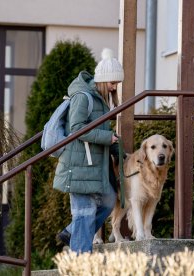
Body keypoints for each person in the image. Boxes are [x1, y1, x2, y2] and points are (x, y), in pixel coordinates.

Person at [53, 48, 124, 254]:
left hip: (93, 164)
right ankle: (80, 261)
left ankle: (70, 232)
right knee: (84, 213)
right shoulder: (83, 97)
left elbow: (101, 131)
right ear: (102, 80)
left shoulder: (101, 99)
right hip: (78, 165)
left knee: (109, 199)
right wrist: (106, 137)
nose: (114, 88)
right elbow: (76, 129)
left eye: (116, 84)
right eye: (112, 83)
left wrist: (119, 150)